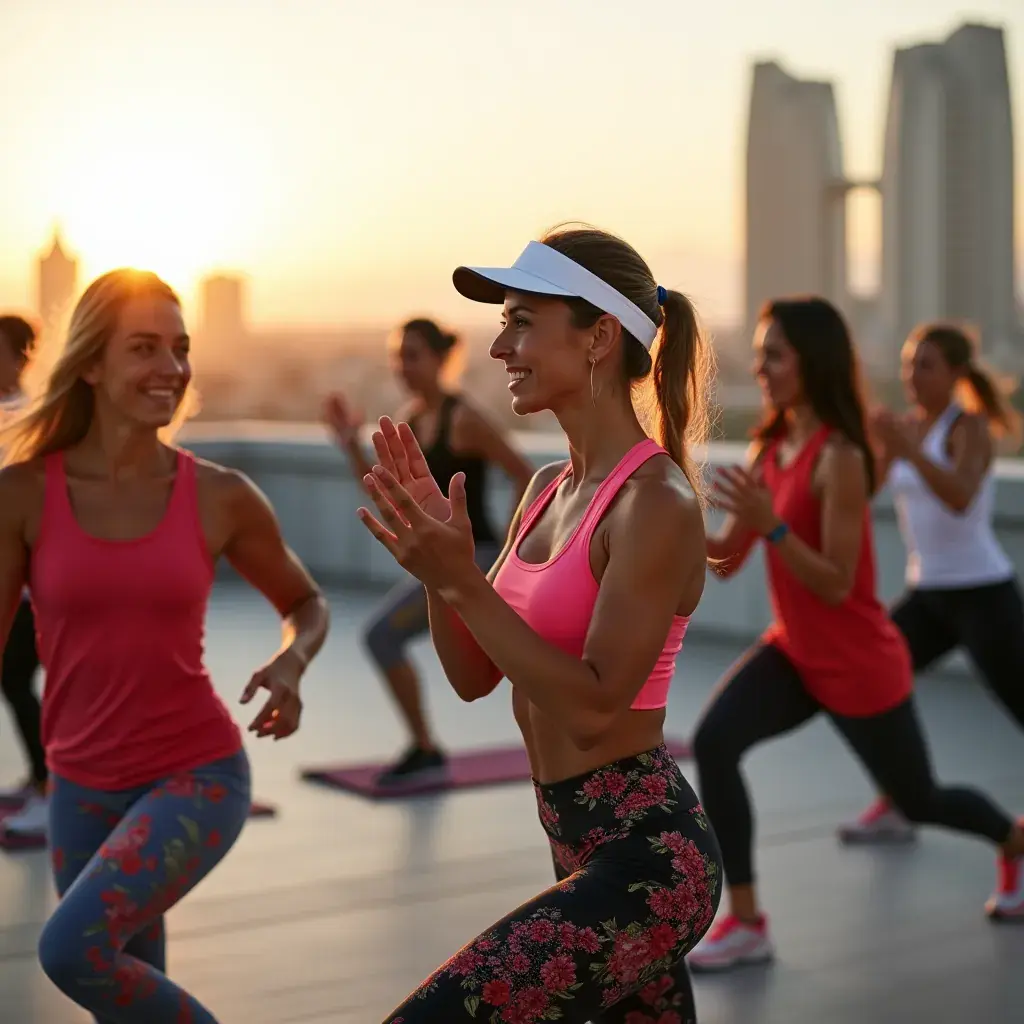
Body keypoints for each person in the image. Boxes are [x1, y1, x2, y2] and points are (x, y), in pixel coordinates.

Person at [359, 226, 723, 1023]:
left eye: (522, 320)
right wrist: (438, 572)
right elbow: (471, 676)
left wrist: (464, 580)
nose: (500, 347)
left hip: (649, 863)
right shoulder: (549, 490)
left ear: (598, 337)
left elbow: (596, 708)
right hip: (572, 841)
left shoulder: (653, 504)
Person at [0, 269, 329, 1022]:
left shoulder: (221, 495)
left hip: (196, 774)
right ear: (90, 363)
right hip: (76, 787)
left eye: (179, 349)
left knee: (71, 952)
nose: (171, 369)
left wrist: (293, 659)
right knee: (120, 995)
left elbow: (306, 603)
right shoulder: (22, 494)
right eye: (143, 348)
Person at [686, 297, 1024, 973]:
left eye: (774, 354)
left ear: (812, 363)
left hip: (858, 661)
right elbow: (725, 558)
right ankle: (748, 922)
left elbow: (837, 583)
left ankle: (1012, 839)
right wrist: (665, 509)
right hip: (794, 650)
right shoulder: (768, 445)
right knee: (715, 743)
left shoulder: (837, 456)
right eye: (760, 352)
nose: (760, 365)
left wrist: (772, 523)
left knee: (920, 799)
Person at [838, 322, 1024, 851]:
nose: (912, 376)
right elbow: (866, 493)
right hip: (930, 594)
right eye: (907, 365)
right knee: (875, 685)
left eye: (925, 365)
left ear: (956, 374)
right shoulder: (907, 430)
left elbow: (961, 495)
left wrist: (908, 449)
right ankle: (898, 799)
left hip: (983, 593)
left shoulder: (969, 427)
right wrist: (884, 450)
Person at [324, 317, 532, 785]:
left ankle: (425, 747)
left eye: (413, 355)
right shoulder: (414, 420)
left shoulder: (464, 419)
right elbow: (382, 488)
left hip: (477, 558)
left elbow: (523, 472)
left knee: (385, 638)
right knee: (389, 640)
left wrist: (510, 552)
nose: (403, 366)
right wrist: (349, 443)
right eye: (398, 356)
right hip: (442, 565)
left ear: (440, 359)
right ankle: (424, 747)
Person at [0, 315, 50, 839]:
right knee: (17, 680)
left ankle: (48, 785)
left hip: (33, 584)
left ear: (21, 357)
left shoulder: (26, 419)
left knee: (18, 678)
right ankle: (42, 778)